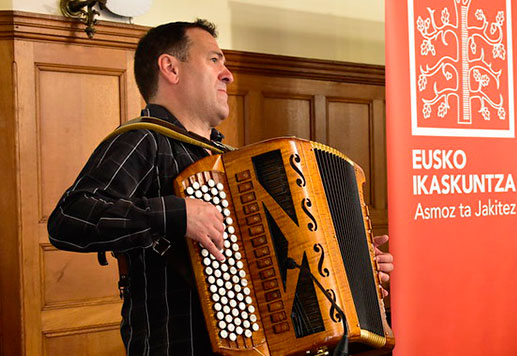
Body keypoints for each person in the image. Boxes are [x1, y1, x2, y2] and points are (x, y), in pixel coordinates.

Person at [47, 19, 393, 355]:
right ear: (170, 68)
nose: (228, 74)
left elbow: (283, 262)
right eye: (214, 60)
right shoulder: (144, 141)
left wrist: (354, 271)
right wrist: (178, 213)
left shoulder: (230, 164)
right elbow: (69, 220)